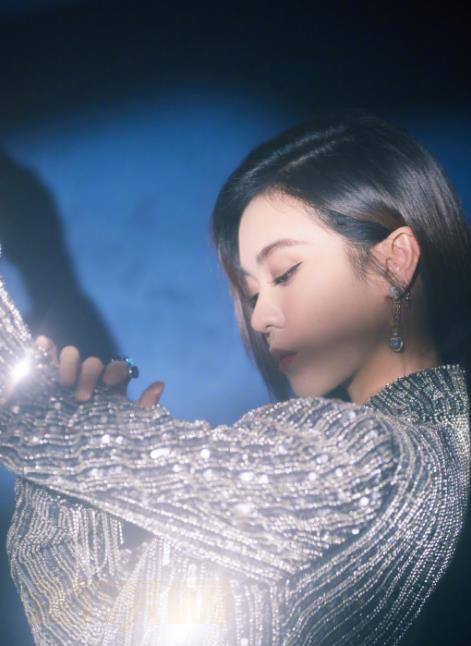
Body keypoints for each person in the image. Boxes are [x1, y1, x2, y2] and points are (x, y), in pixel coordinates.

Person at [0, 108, 470, 645]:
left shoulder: (384, 459)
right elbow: (96, 633)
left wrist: (61, 423)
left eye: (285, 273)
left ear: (395, 260)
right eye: (251, 293)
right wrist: (68, 485)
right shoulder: (414, 463)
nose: (260, 317)